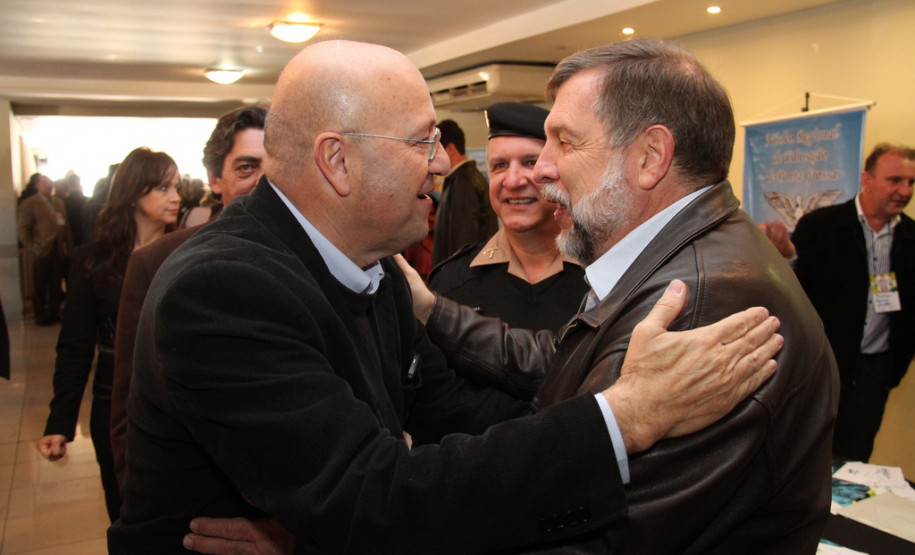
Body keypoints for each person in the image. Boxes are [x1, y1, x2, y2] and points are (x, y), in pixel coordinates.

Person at [109, 40, 781, 554]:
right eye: (422, 141)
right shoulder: (224, 287)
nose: (440, 163)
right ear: (336, 161)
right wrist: (625, 415)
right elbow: (370, 496)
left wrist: (615, 387)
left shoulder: (378, 272)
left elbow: (461, 415)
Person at [408, 38, 838, 553]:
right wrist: (433, 309)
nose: (541, 169)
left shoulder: (694, 305)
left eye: (563, 143)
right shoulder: (669, 264)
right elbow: (565, 361)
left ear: (651, 157)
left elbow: (597, 539)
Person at [109, 104, 268, 490]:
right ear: (215, 180)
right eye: (247, 168)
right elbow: (130, 405)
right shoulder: (157, 262)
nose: (266, 181)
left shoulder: (321, 257)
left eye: (275, 166)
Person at [36, 147, 180, 522]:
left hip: (180, 399)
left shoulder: (187, 253)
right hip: (114, 402)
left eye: (177, 187)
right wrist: (60, 422)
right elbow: (75, 346)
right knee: (125, 510)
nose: (176, 197)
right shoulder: (92, 259)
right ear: (134, 192)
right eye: (163, 187)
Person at [762, 143, 915, 462]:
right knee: (806, 458)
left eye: (911, 183)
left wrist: (893, 369)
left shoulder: (911, 238)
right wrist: (788, 258)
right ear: (867, 179)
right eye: (895, 180)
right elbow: (796, 293)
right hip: (821, 368)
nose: (905, 190)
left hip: (874, 375)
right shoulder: (821, 226)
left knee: (855, 462)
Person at [430, 102, 588, 332]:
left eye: (531, 163)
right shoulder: (452, 282)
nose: (513, 181)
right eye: (500, 165)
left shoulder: (603, 278)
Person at [430, 119, 498, 265]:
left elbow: (462, 241)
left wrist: (451, 279)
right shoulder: (464, 178)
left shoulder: (463, 183)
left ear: (450, 149)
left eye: (436, 151)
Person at [17, 172, 72, 325]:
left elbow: (65, 226)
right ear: (37, 185)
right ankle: (40, 313)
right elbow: (23, 229)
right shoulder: (29, 203)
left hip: (58, 249)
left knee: (56, 282)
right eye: (44, 182)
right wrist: (33, 247)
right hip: (41, 249)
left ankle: (53, 312)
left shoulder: (59, 203)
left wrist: (69, 246)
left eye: (49, 181)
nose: (48, 184)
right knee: (39, 283)